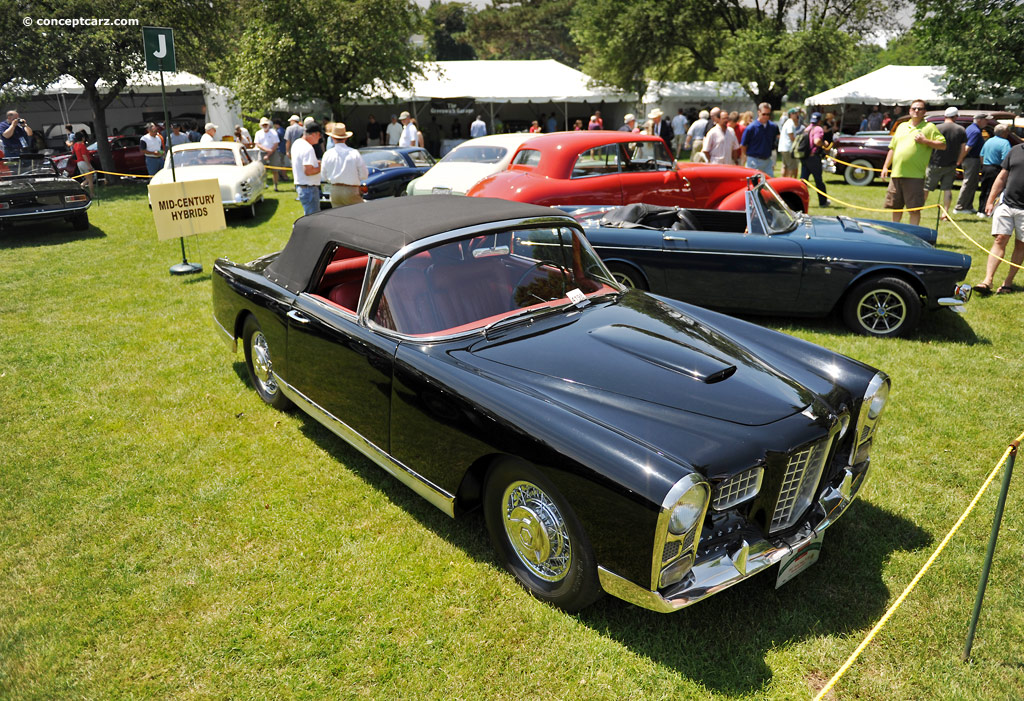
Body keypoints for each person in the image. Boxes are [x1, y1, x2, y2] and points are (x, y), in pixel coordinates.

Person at [880, 100, 946, 225]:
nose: (916, 111)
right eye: (914, 108)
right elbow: (892, 148)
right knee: (896, 207)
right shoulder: (901, 126)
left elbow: (942, 145)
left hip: (915, 176)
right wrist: (885, 167)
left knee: (914, 209)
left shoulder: (929, 127)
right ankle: (895, 232)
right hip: (896, 174)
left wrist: (925, 141)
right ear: (910, 110)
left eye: (919, 109)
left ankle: (913, 236)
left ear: (924, 112)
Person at [974, 140, 1024, 295]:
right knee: (1000, 239)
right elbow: (1002, 177)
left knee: (1021, 245)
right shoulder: (1015, 150)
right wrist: (990, 201)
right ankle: (987, 280)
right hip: (1007, 205)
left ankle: (1008, 283)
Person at [926, 107, 967, 221]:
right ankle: (945, 213)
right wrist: (959, 160)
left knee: (926, 188)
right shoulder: (961, 130)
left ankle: (918, 209)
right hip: (951, 164)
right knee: (947, 189)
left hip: (935, 162)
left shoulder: (937, 128)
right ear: (956, 117)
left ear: (944, 116)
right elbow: (963, 148)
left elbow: (929, 145)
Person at [319, 122, 368, 208]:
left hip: (335, 190)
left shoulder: (327, 154)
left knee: (339, 218)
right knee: (359, 216)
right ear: (345, 138)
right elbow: (364, 175)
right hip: (351, 190)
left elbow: (324, 176)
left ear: (333, 138)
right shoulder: (354, 153)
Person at [954, 113, 989, 214]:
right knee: (968, 183)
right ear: (979, 120)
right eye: (985, 120)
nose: (986, 122)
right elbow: (967, 147)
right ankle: (959, 207)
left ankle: (968, 206)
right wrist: (960, 159)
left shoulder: (971, 128)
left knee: (972, 184)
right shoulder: (975, 131)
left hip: (970, 160)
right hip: (971, 160)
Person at [978, 123, 1013, 216]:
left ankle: (980, 210)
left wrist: (983, 165)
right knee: (993, 190)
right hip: (996, 168)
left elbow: (981, 155)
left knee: (984, 189)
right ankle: (988, 211)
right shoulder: (1005, 143)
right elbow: (1006, 158)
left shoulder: (988, 141)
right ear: (1004, 133)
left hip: (985, 167)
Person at [291, 121, 322, 216]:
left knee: (309, 218)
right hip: (309, 188)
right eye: (319, 135)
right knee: (313, 220)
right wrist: (321, 167)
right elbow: (308, 171)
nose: (320, 138)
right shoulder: (308, 148)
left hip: (303, 186)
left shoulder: (297, 143)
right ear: (313, 134)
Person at [739, 103, 779, 176]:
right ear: (759, 112)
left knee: (769, 184)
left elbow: (773, 143)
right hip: (754, 161)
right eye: (764, 114)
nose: (766, 116)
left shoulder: (773, 127)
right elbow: (743, 145)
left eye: (768, 114)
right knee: (753, 184)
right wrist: (746, 158)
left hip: (767, 161)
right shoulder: (751, 128)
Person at [800, 112, 829, 208]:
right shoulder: (818, 129)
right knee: (818, 181)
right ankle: (823, 202)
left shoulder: (807, 128)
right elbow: (817, 141)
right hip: (814, 158)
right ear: (820, 120)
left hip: (805, 157)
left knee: (803, 181)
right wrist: (824, 144)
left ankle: (799, 201)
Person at [254, 117, 283, 191]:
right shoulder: (258, 133)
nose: (265, 126)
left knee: (275, 170)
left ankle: (276, 186)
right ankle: (263, 185)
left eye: (266, 124)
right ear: (261, 125)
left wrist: (269, 153)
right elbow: (257, 144)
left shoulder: (273, 132)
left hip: (273, 152)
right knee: (261, 170)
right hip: (262, 152)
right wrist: (266, 150)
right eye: (263, 125)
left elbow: (276, 143)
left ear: (269, 124)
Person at [778, 108, 803, 178]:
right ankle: (789, 183)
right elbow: (791, 137)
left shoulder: (788, 122)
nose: (797, 115)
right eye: (795, 114)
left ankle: (782, 182)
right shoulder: (790, 123)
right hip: (788, 148)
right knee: (791, 167)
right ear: (791, 115)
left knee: (785, 166)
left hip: (783, 148)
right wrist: (799, 142)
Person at [72, 131, 95, 198]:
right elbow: (84, 156)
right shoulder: (82, 145)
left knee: (87, 178)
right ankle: (92, 194)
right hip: (84, 162)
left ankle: (81, 186)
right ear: (82, 138)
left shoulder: (75, 145)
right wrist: (89, 165)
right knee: (90, 179)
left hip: (79, 163)